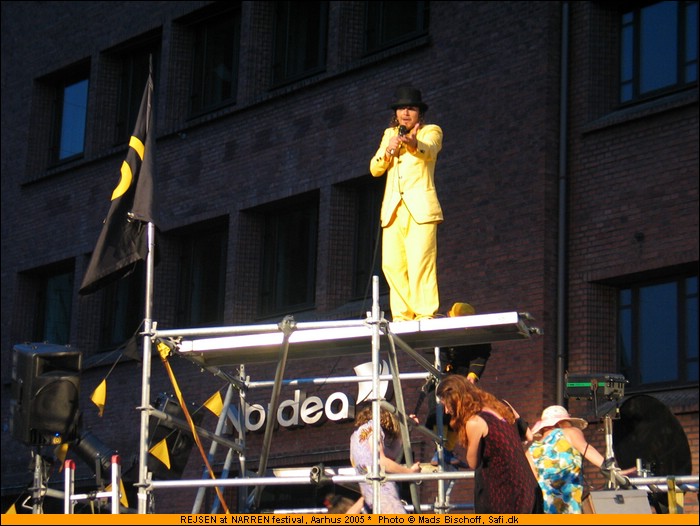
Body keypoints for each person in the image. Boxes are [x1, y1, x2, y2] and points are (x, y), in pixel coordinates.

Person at [369, 85, 443, 322]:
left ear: (419, 113)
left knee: (421, 260)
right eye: (402, 109)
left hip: (420, 209)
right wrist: (389, 149)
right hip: (393, 210)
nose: (405, 113)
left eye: (411, 109)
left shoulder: (431, 131)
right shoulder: (388, 134)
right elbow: (375, 169)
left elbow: (430, 150)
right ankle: (401, 315)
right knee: (392, 265)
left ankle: (424, 313)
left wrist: (412, 143)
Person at [436, 375, 543, 514]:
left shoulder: (475, 422)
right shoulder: (503, 405)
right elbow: (528, 435)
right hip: (529, 489)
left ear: (457, 399)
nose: (446, 411)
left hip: (506, 495)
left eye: (446, 404)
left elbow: (472, 462)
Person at [527, 405, 636, 514]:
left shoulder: (531, 451)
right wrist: (614, 472)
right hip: (568, 506)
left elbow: (531, 485)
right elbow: (587, 449)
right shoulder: (569, 432)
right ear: (560, 423)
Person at [349, 403, 421, 513]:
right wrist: (409, 472)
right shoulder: (375, 428)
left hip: (370, 494)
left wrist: (405, 429)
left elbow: (391, 454)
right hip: (383, 491)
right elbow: (381, 461)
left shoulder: (355, 437)